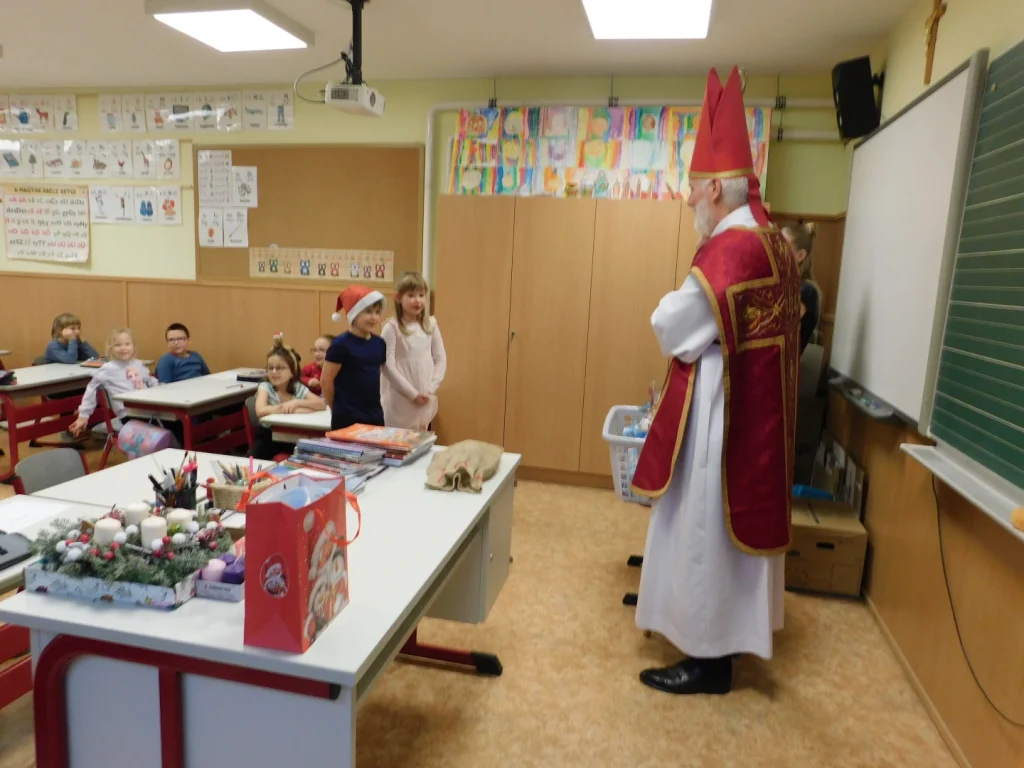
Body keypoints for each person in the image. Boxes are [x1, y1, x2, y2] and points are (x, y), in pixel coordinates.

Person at [630, 66, 802, 696]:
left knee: (703, 533)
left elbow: (673, 325)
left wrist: (668, 311)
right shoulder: (774, 243)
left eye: (693, 189)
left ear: (716, 190)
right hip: (757, 417)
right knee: (724, 541)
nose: (689, 201)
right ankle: (728, 636)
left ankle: (708, 659)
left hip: (721, 421)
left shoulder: (733, 251)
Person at [381, 271, 447, 430]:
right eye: (411, 295)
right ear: (398, 297)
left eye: (421, 295)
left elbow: (440, 358)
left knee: (420, 437)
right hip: (400, 397)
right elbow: (387, 365)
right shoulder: (392, 327)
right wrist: (412, 394)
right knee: (397, 438)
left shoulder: (430, 324)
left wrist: (430, 389)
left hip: (425, 396)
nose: (417, 300)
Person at [320, 286, 387, 432]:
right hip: (347, 417)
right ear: (354, 314)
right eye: (368, 311)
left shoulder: (379, 343)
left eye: (377, 312)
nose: (374, 317)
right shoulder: (340, 344)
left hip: (374, 415)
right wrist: (335, 407)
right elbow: (326, 380)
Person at [69, 328, 158, 436]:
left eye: (127, 344)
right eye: (118, 345)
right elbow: (91, 390)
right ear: (111, 348)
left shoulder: (138, 364)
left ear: (133, 346)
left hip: (147, 409)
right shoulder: (107, 369)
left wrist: (162, 388)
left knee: (174, 422)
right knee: (165, 427)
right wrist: (83, 416)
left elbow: (150, 380)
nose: (123, 348)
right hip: (128, 414)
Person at [250, 334, 326, 460]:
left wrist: (296, 403)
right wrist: (293, 410)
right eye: (270, 368)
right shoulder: (265, 387)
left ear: (292, 372)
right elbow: (261, 410)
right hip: (268, 436)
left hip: (293, 437)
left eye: (280, 368)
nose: (274, 372)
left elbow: (321, 404)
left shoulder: (296, 387)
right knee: (254, 459)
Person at [782, 222, 823, 353]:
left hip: (785, 362)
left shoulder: (807, 290)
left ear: (800, 255)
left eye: (783, 246)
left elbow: (778, 327)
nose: (775, 251)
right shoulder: (784, 284)